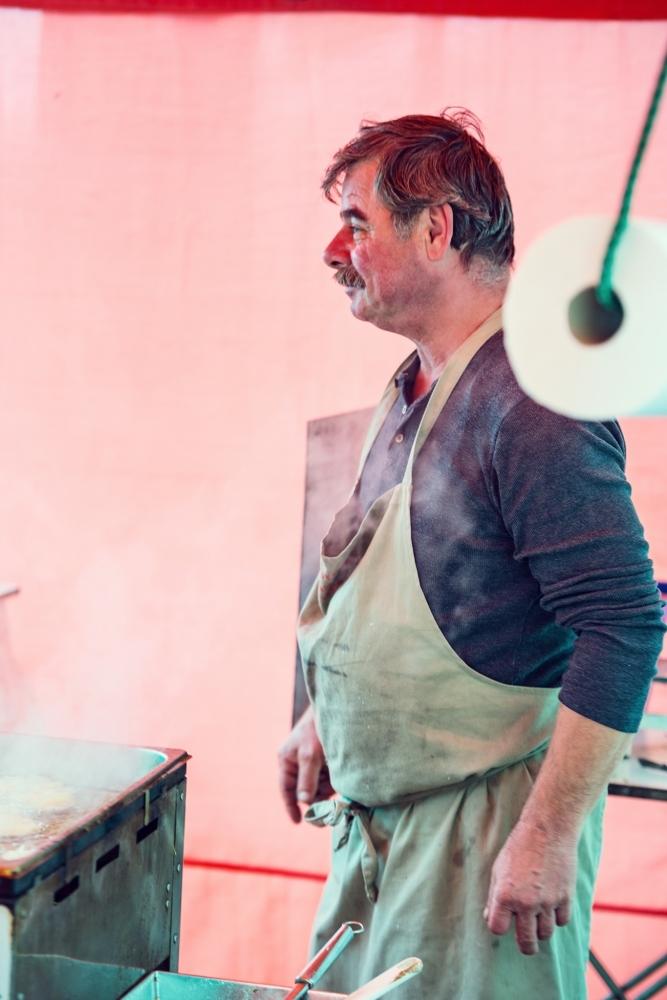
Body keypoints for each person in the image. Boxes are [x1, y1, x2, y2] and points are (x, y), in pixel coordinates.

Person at [277, 110, 665, 999]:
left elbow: (622, 624)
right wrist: (325, 717)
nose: (333, 252)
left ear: (437, 230)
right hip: (381, 833)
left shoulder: (534, 404)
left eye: (356, 224)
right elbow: (416, 576)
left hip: (481, 842)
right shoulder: (416, 381)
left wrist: (546, 835)